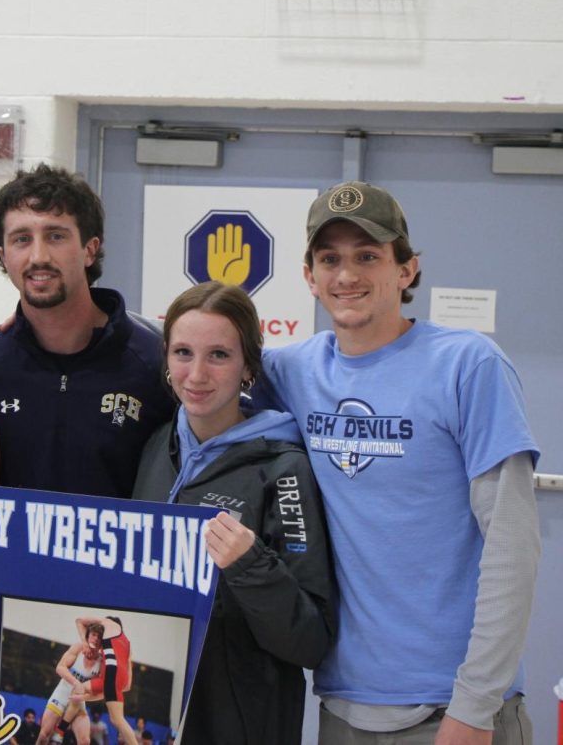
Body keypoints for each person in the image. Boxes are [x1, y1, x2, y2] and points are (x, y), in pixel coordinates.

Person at [260, 181, 540, 744]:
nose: (348, 275)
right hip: (343, 707)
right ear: (308, 276)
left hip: (452, 710)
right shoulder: (289, 372)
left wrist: (475, 705)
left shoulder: (467, 365)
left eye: (369, 256)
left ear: (408, 270)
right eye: (330, 259)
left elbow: (513, 543)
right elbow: (196, 361)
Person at [133, 281, 336, 743]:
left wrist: (250, 565)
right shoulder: (153, 448)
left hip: (240, 722)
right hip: (154, 712)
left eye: (219, 355)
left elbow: (310, 640)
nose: (197, 374)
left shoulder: (284, 471)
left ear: (248, 366)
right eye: (183, 352)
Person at [0, 164, 170, 497]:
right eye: (22, 239)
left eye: (56, 236)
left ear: (89, 249)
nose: (39, 256)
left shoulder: (156, 366)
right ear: (3, 257)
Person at [37, 620, 104, 745]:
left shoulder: (101, 662)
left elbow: (100, 690)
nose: (96, 639)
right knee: (43, 735)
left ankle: (61, 730)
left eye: (99, 637)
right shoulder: (78, 648)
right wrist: (76, 682)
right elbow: (60, 667)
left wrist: (84, 694)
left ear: (102, 643)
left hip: (78, 700)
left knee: (85, 741)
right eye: (94, 635)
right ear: (88, 635)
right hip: (62, 694)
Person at [69, 616, 134, 745]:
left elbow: (79, 621)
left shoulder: (109, 623)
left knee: (118, 719)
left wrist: (84, 643)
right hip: (115, 678)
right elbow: (126, 687)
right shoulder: (127, 644)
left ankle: (62, 729)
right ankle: (64, 725)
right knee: (78, 690)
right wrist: (84, 698)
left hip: (112, 673)